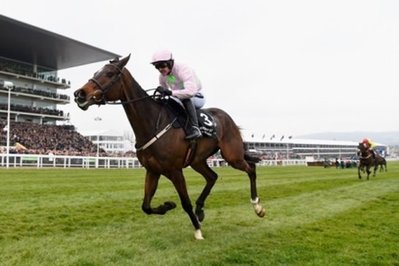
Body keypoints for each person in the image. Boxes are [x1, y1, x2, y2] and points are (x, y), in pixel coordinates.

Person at [151, 49, 204, 140]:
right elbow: (164, 91)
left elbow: (190, 91)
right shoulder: (163, 76)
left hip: (196, 96)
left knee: (185, 99)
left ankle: (195, 128)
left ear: (170, 62)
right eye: (157, 66)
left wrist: (171, 92)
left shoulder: (183, 69)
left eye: (162, 65)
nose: (160, 69)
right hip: (178, 98)